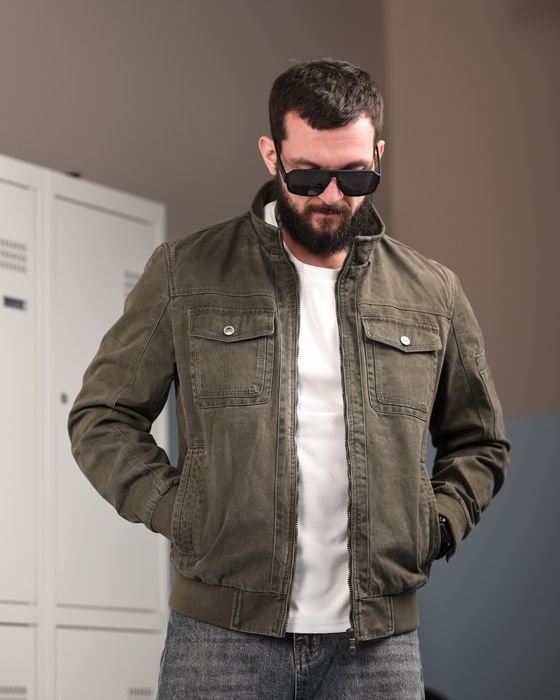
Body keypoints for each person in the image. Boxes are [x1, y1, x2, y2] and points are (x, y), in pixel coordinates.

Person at [68, 58, 510, 699]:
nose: (331, 195)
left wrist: (437, 523)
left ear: (378, 155)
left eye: (354, 175)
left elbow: (480, 441)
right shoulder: (186, 272)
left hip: (378, 649)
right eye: (307, 174)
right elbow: (101, 416)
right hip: (220, 641)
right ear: (271, 155)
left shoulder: (432, 293)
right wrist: (177, 510)